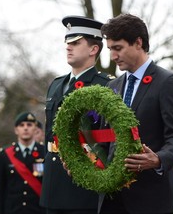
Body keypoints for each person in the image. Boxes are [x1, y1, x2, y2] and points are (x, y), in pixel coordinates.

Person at [98, 13, 173, 214]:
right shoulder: (113, 86)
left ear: (138, 42)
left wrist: (158, 159)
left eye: (117, 48)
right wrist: (88, 157)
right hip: (112, 199)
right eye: (110, 49)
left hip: (150, 200)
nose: (113, 56)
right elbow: (105, 140)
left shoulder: (167, 82)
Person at [39, 16, 113, 214]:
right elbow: (49, 134)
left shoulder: (106, 85)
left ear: (93, 49)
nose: (68, 47)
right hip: (54, 182)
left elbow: (108, 138)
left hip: (83, 184)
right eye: (67, 43)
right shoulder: (56, 84)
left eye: (75, 42)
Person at [0, 112, 45, 214]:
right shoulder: (5, 155)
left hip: (38, 210)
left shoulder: (44, 153)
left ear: (35, 129)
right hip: (12, 210)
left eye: (29, 125)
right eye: (22, 125)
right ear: (16, 130)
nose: (25, 128)